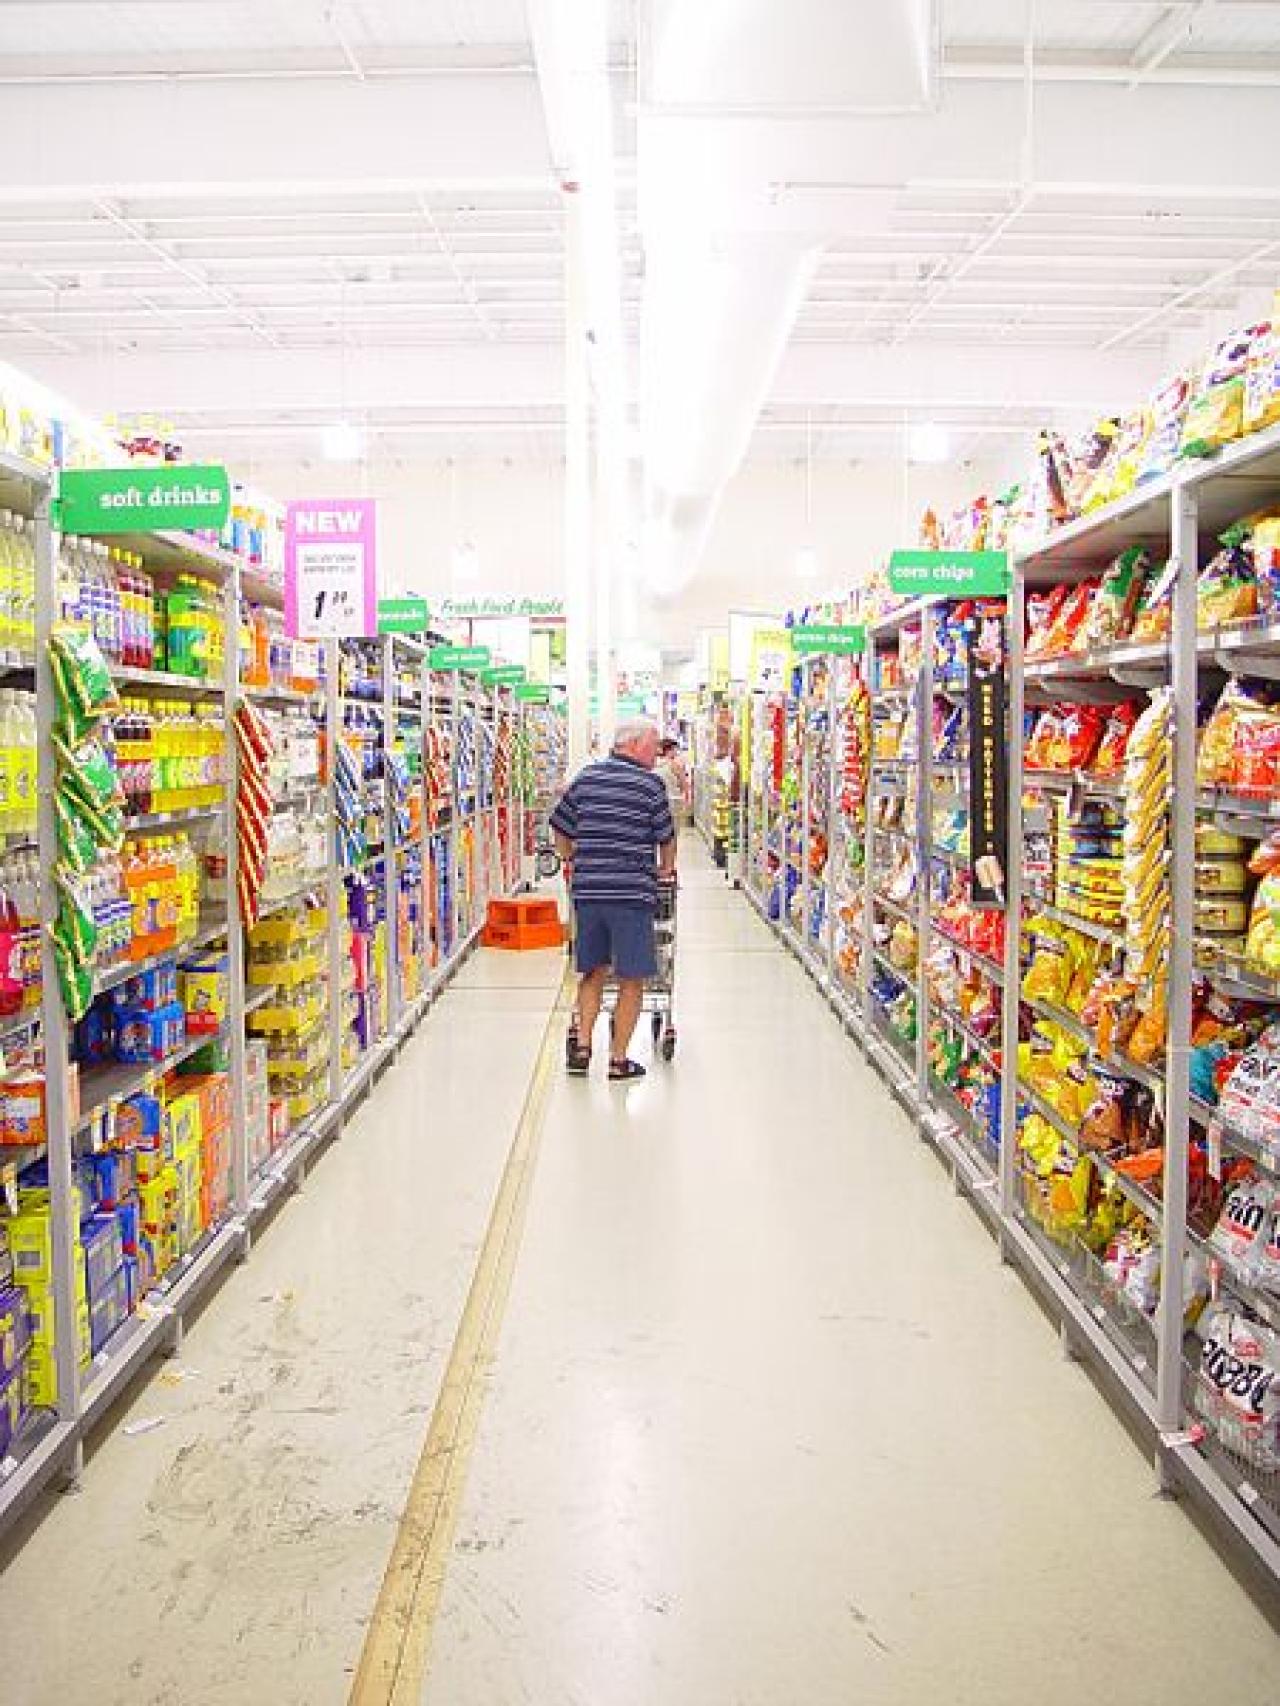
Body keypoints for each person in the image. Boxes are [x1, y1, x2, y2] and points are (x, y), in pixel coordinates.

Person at [551, 719, 677, 1081]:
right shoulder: (650, 785)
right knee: (631, 978)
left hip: (589, 892)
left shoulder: (586, 778)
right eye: (653, 745)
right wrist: (666, 869)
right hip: (631, 894)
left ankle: (583, 1045)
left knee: (592, 971)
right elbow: (666, 836)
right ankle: (618, 1060)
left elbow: (560, 824)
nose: (657, 753)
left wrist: (570, 856)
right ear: (633, 745)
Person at [655, 736, 691, 827]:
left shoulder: (655, 764)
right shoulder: (674, 765)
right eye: (675, 749)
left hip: (660, 800)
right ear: (669, 750)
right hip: (674, 801)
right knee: (674, 828)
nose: (676, 752)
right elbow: (684, 783)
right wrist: (686, 798)